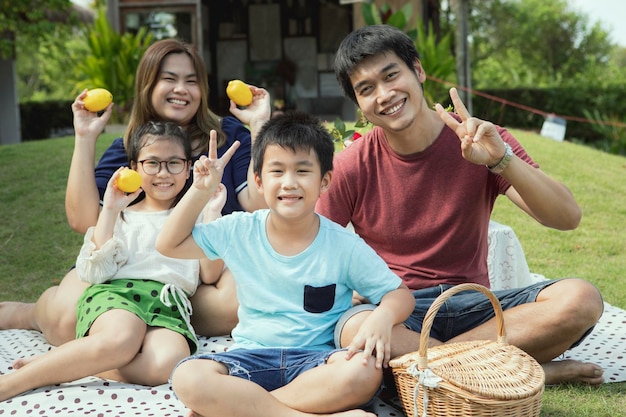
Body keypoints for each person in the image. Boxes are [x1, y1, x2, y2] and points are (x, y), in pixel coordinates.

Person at [315, 24, 605, 386]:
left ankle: (437, 373)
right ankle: (505, 372)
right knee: (351, 326)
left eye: (392, 75)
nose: (385, 94)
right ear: (358, 103)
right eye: (366, 89)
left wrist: (500, 160)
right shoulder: (351, 165)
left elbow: (566, 217)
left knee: (581, 298)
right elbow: (311, 250)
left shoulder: (483, 141)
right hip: (399, 311)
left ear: (417, 71)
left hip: (476, 305)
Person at [0, 38, 270, 344]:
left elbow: (257, 203)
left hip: (204, 270)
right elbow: (83, 219)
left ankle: (144, 324)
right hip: (130, 268)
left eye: (191, 81)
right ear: (148, 85)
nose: (181, 89)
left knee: (236, 304)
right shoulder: (129, 148)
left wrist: (259, 124)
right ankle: (30, 313)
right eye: (169, 79)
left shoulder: (226, 135)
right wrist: (85, 137)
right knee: (64, 322)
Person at [155, 111, 415, 417]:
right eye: (277, 171)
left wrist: (382, 317)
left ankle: (240, 409)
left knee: (364, 371)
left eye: (303, 171)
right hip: (248, 360)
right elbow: (168, 244)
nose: (289, 183)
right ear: (258, 181)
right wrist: (200, 190)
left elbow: (400, 294)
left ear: (324, 181)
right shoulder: (240, 229)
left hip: (314, 365)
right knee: (188, 377)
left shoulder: (343, 245)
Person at [0, 120, 229, 402]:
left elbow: (210, 274)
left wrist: (211, 212)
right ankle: (15, 382)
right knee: (122, 339)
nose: (163, 173)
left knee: (167, 362)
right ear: (134, 168)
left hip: (167, 307)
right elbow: (93, 270)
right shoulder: (123, 214)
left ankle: (64, 364)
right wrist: (109, 209)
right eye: (152, 163)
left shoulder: (193, 217)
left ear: (188, 168)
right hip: (119, 296)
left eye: (173, 163)